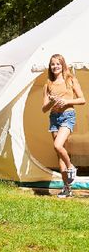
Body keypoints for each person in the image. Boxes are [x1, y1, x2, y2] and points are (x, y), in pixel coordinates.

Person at [42, 53, 85, 197]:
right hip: (54, 118)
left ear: (63, 65)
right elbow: (44, 109)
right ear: (50, 66)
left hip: (67, 117)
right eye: (53, 64)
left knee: (57, 145)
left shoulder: (71, 80)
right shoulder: (47, 84)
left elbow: (82, 99)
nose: (55, 66)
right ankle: (67, 189)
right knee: (59, 154)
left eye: (58, 64)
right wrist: (52, 102)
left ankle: (71, 167)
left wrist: (67, 102)